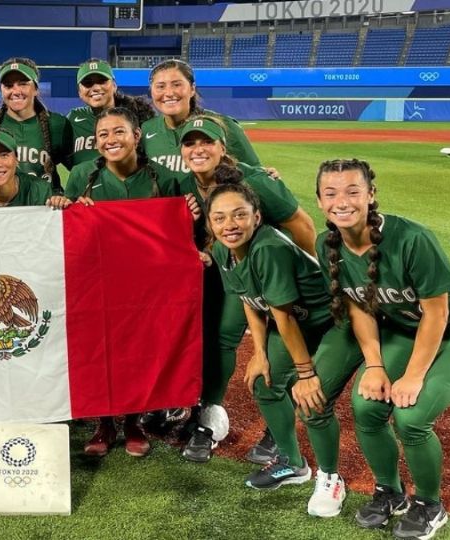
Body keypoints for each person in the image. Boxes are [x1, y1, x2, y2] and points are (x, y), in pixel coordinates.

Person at [316, 158, 450, 539]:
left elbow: (438, 312)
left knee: (411, 416)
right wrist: (376, 366)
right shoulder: (327, 243)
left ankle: (430, 504)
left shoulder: (411, 238)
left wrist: (413, 376)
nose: (342, 201)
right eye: (331, 193)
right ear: (319, 201)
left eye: (353, 191)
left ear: (371, 195)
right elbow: (359, 304)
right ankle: (390, 491)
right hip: (406, 328)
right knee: (366, 405)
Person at [205, 183, 364, 518]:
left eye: (239, 215)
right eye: (219, 218)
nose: (229, 224)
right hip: (296, 324)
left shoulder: (269, 249)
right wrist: (260, 353)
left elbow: (285, 317)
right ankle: (293, 464)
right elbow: (250, 301)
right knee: (265, 383)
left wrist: (305, 373)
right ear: (210, 223)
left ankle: (330, 478)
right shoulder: (224, 251)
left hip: (335, 324)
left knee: (312, 398)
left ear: (257, 217)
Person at [173, 116, 315, 465]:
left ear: (223, 147)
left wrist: (316, 276)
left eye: (206, 142)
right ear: (181, 151)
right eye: (190, 144)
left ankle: (275, 427)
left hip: (273, 276)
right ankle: (207, 415)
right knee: (220, 336)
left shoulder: (253, 180)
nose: (198, 149)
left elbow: (302, 224)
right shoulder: (182, 184)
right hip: (233, 273)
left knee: (281, 345)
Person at [48, 107, 183, 458]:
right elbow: (68, 224)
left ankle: (134, 421)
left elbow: (177, 232)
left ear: (136, 136)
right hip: (97, 278)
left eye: (119, 132)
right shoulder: (82, 175)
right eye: (104, 134)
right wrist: (69, 207)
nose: (111, 140)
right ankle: (104, 423)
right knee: (98, 349)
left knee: (138, 350)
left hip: (145, 281)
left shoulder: (164, 178)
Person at [143, 59, 262, 173]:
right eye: (160, 86)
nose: (169, 93)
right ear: (151, 91)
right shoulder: (145, 130)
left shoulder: (223, 125)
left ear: (192, 89)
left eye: (177, 85)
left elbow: (255, 176)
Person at [0, 57, 73, 193]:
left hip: (45, 208)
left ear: (36, 89)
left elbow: (77, 169)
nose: (16, 91)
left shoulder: (57, 124)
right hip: (1, 208)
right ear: (1, 90)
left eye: (23, 84)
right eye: (8, 85)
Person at [67, 58, 154, 167]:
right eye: (88, 83)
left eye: (101, 81)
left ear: (114, 86)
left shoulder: (137, 117)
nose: (96, 88)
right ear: (79, 92)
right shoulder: (73, 119)